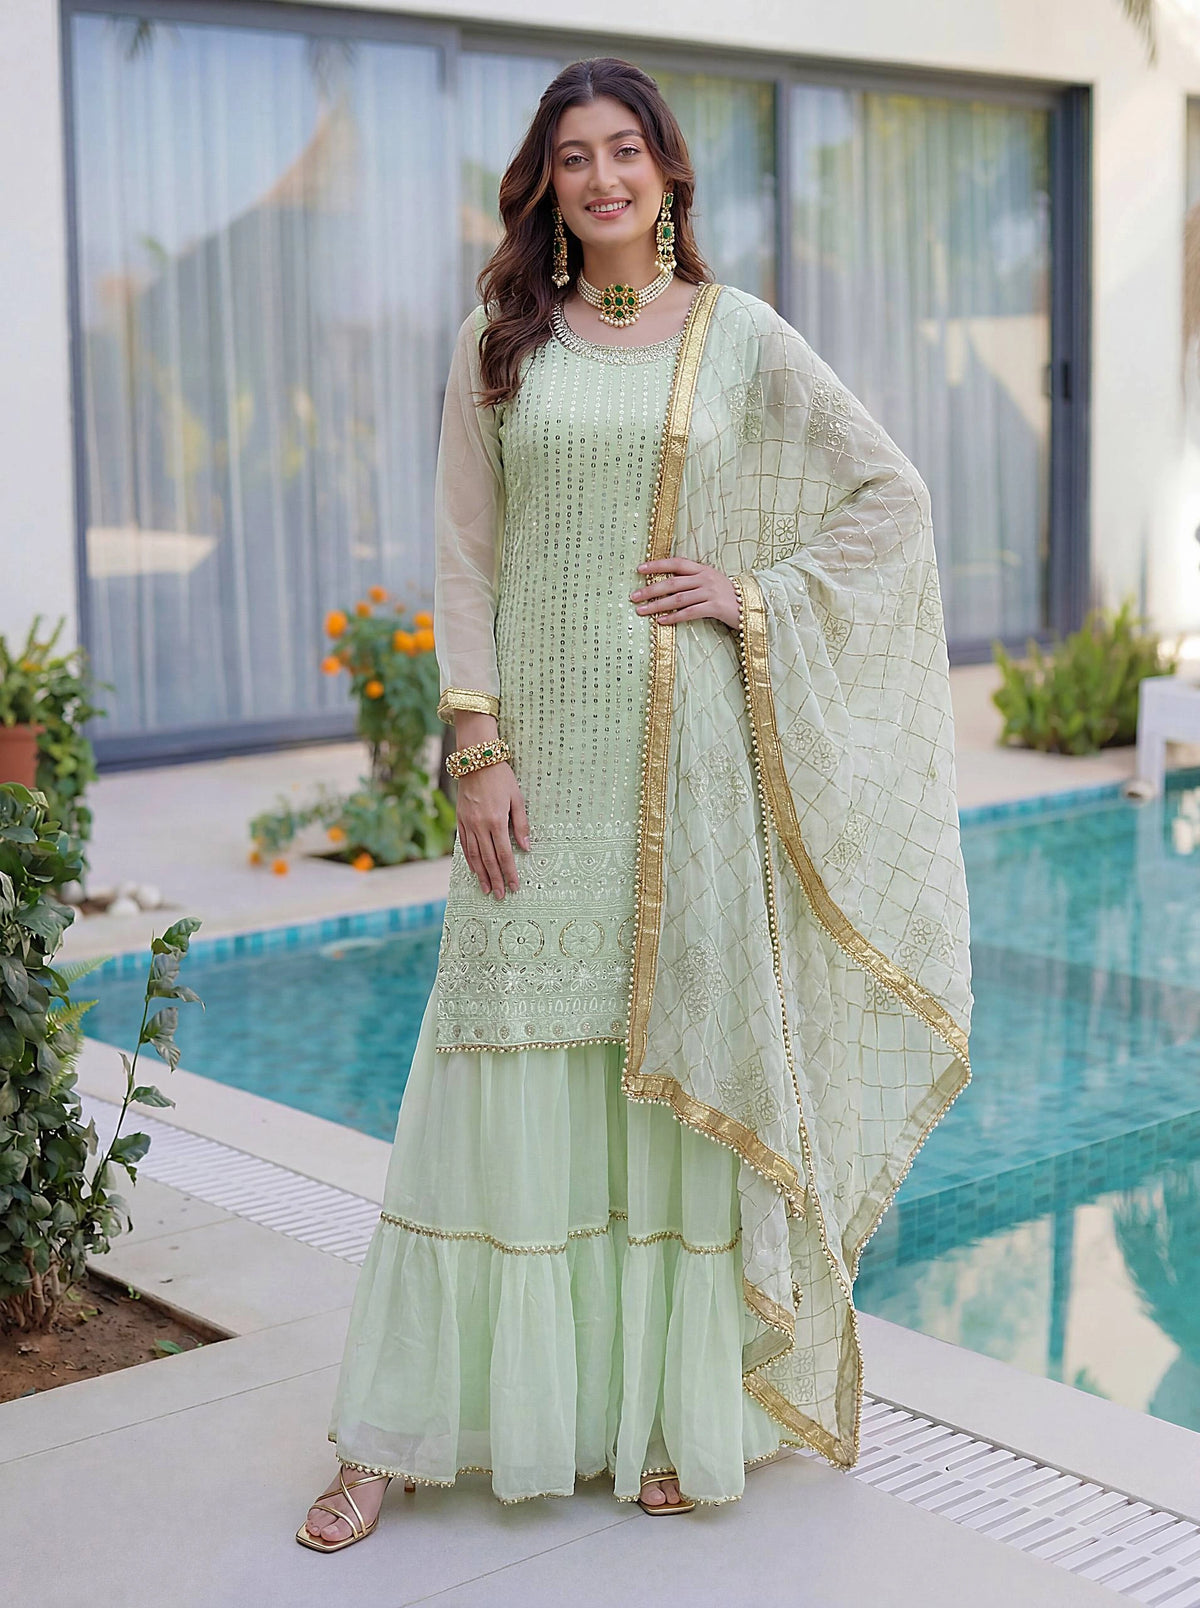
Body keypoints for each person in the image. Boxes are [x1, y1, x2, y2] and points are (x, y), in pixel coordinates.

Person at [299, 54, 973, 1552]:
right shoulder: (500, 340)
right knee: (485, 1073)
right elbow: (464, 561)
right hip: (537, 766)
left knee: (670, 1078)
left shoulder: (738, 338)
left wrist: (756, 592)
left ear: (668, 174)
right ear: (545, 185)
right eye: (574, 157)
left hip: (687, 767)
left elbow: (890, 499)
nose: (603, 179)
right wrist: (473, 746)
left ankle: (674, 1414)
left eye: (627, 153)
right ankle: (388, 1437)